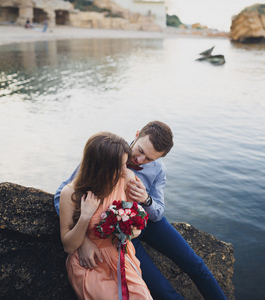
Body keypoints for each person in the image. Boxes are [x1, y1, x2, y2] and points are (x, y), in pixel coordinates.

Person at [55, 121, 227, 300]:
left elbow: (158, 212)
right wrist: (82, 239)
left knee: (196, 264)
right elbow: (62, 195)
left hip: (149, 222)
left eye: (149, 159)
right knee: (160, 288)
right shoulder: (106, 154)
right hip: (119, 233)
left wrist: (146, 199)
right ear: (137, 135)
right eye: (141, 151)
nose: (139, 160)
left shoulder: (158, 169)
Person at [59, 132, 152, 299]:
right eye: (121, 165)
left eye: (125, 163)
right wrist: (85, 216)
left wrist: (129, 229)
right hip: (89, 261)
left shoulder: (126, 178)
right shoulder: (70, 193)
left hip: (120, 256)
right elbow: (68, 246)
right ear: (102, 167)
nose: (125, 169)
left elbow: (136, 228)